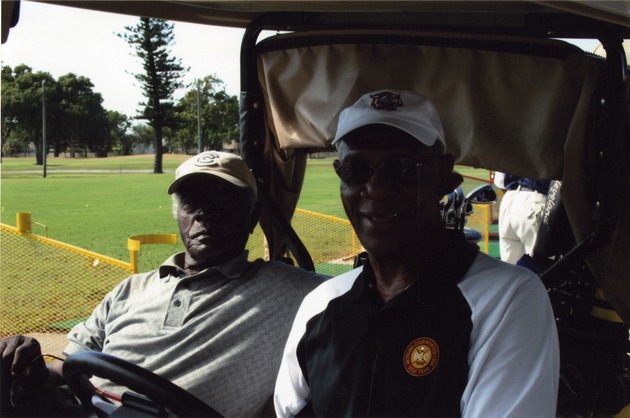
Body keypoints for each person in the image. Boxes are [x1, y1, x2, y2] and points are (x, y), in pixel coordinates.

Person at [274, 90, 559, 417]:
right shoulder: (320, 305)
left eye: (401, 168)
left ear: (444, 178)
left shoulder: (507, 301)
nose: (376, 187)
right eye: (356, 169)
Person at [0, 151, 327, 417]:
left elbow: (368, 296)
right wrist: (28, 371)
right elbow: (68, 365)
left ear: (253, 216)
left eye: (224, 201)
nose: (205, 214)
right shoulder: (130, 289)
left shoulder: (297, 293)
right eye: (191, 202)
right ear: (178, 214)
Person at [494, 171, 550, 265]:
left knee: (509, 272)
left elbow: (500, 180)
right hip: (537, 199)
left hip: (510, 199)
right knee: (541, 271)